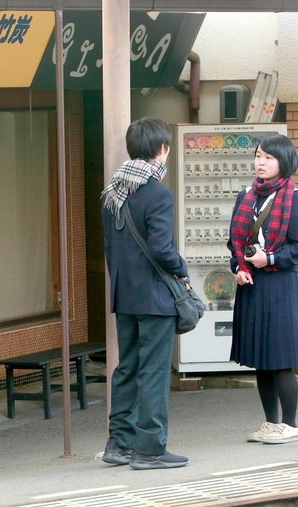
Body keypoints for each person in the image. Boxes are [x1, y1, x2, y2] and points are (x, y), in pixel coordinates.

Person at [100, 117, 189, 470]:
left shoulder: (112, 193)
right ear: (162, 149)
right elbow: (162, 249)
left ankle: (118, 444)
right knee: (153, 371)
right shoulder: (157, 193)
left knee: (127, 368)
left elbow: (111, 248)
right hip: (155, 297)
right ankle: (150, 448)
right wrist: (181, 266)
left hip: (125, 296)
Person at [227, 134, 298, 445]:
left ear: (283, 163)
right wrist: (240, 268)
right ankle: (270, 422)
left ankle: (290, 424)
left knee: (281, 357)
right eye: (259, 156)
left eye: (268, 158)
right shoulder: (246, 196)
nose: (261, 162)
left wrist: (269, 258)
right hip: (254, 284)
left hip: (282, 285)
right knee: (261, 358)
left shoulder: (296, 198)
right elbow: (234, 244)